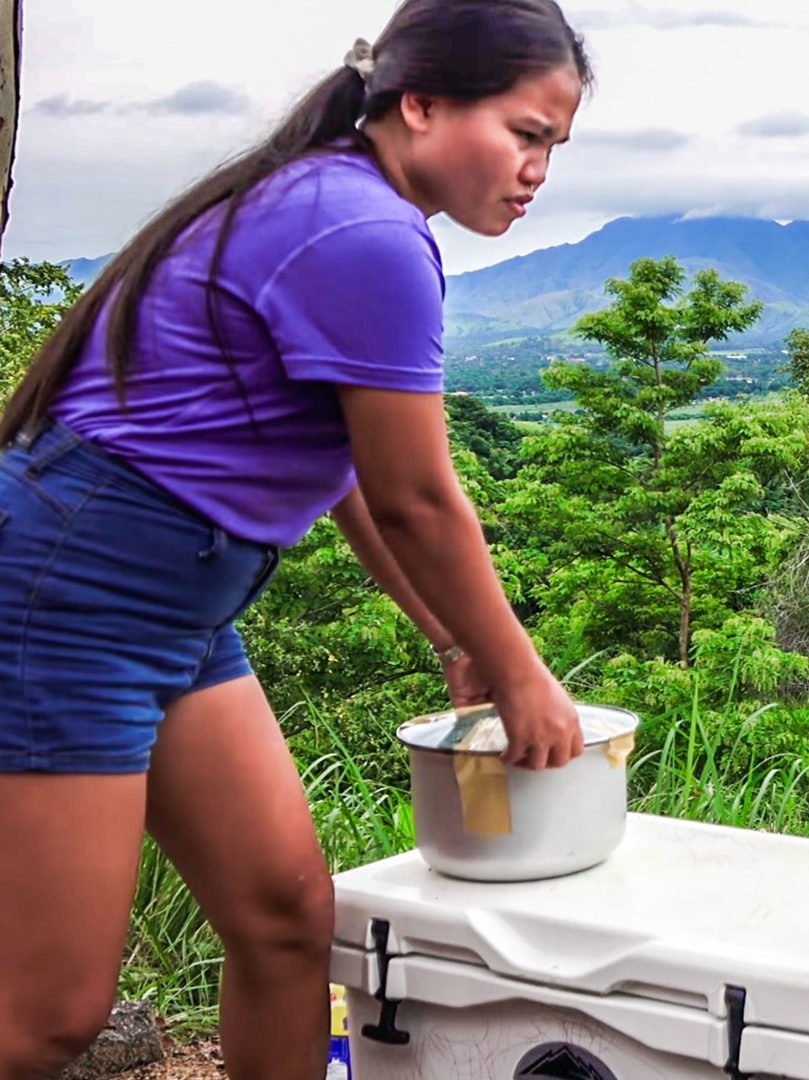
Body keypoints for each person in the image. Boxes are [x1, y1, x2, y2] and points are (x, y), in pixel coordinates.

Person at [0, 2, 592, 1076]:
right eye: (525, 132)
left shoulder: (344, 207)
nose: (537, 168)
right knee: (46, 1014)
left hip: (180, 604)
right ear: (421, 104)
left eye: (553, 144)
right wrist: (520, 674)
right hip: (77, 590)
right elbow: (420, 495)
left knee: (283, 916)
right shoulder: (362, 231)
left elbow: (352, 476)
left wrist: (446, 633)